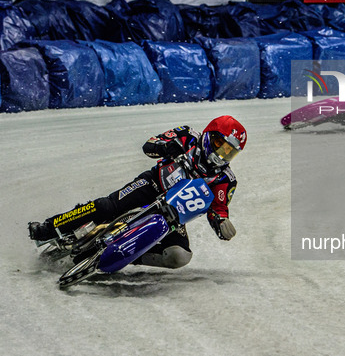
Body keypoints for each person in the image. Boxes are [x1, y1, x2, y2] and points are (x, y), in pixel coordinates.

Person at [28, 115, 247, 268]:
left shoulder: (226, 179)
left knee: (179, 256)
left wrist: (221, 222)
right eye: (220, 144)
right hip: (151, 186)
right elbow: (150, 144)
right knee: (107, 206)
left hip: (174, 215)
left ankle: (124, 256)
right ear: (210, 135)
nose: (222, 153)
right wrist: (163, 147)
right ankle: (50, 226)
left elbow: (218, 208)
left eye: (230, 151)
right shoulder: (187, 135)